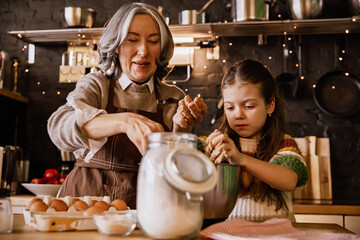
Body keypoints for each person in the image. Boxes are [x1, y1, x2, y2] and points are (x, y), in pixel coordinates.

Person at [47, 2, 207, 208]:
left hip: (146, 210)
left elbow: (176, 170)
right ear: (116, 47)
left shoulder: (173, 96)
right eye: (132, 40)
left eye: (153, 41)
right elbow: (57, 128)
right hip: (84, 206)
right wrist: (124, 122)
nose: (143, 51)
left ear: (162, 48)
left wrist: (182, 127)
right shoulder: (97, 85)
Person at [205, 59, 308, 222]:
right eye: (230, 107)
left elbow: (289, 180)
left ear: (270, 105)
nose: (238, 115)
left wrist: (241, 159)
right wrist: (180, 126)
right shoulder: (221, 145)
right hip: (232, 235)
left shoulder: (284, 144)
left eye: (249, 106)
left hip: (277, 236)